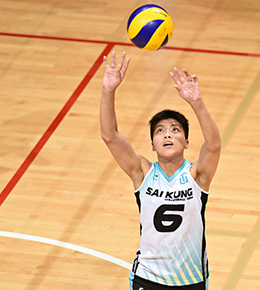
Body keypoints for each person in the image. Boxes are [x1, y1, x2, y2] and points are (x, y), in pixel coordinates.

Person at [100, 51, 221, 290]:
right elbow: (110, 136)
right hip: (149, 278)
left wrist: (197, 103)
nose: (167, 134)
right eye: (160, 131)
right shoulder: (142, 173)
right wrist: (108, 90)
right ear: (152, 144)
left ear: (186, 142)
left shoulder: (197, 176)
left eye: (175, 129)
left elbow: (214, 145)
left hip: (191, 280)